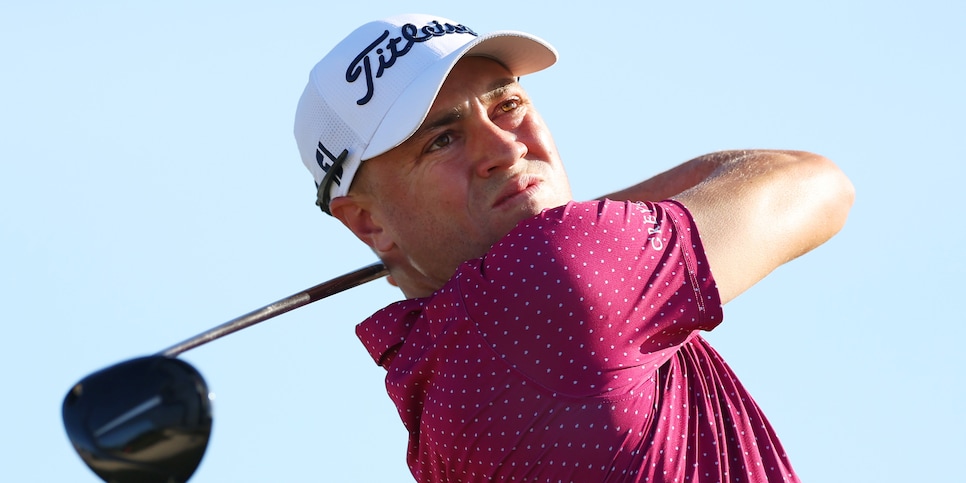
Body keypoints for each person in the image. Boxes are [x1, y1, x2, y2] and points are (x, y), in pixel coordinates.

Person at [293, 14, 854, 483]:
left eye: (507, 104)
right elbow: (817, 183)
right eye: (442, 139)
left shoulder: (435, 395)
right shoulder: (558, 269)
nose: (506, 147)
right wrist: (573, 226)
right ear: (369, 223)